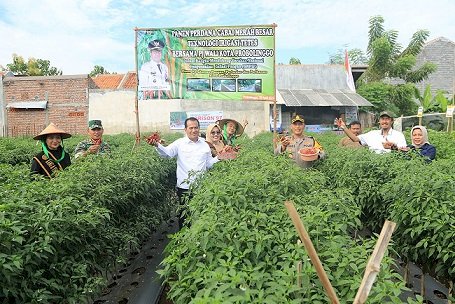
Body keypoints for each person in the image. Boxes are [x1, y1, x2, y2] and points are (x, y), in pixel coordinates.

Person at [146, 117, 220, 229]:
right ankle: (184, 241)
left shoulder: (204, 144)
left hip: (202, 187)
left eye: (196, 127)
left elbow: (208, 164)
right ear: (185, 130)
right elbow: (167, 153)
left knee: (201, 215)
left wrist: (220, 157)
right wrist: (157, 145)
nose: (194, 130)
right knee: (185, 217)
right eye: (191, 128)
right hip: (185, 188)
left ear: (199, 129)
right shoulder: (180, 143)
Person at [336, 111, 406, 153]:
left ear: (392, 121)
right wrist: (344, 127)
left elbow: (404, 151)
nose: (384, 121)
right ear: (379, 121)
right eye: (382, 119)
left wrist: (393, 147)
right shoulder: (372, 134)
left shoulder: (398, 135)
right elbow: (355, 139)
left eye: (387, 119)